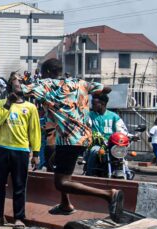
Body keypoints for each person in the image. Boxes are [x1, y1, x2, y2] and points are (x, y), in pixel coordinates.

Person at [21, 59, 123, 218]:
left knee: (61, 182)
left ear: (47, 72)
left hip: (69, 139)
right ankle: (65, 204)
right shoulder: (79, 82)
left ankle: (109, 194)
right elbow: (106, 89)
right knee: (59, 171)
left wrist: (15, 79)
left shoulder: (47, 84)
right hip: (81, 137)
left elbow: (19, 90)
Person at [0, 79, 41, 227]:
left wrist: (36, 154)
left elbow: (35, 131)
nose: (16, 89)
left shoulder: (30, 107)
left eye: (19, 86)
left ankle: (19, 217)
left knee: (19, 185)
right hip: (3, 148)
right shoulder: (1, 103)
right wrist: (8, 104)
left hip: (21, 150)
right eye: (14, 86)